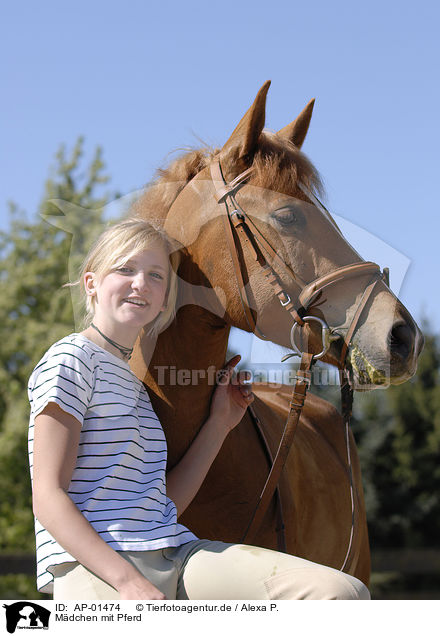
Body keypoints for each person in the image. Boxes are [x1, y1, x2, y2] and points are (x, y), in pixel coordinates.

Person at [28, 218, 370, 600]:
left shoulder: (134, 386)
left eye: (156, 276)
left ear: (164, 300)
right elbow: (47, 495)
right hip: (97, 568)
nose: (141, 283)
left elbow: (163, 504)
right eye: (125, 269)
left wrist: (220, 423)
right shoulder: (71, 358)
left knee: (341, 592)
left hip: (176, 554)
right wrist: (127, 582)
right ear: (92, 283)